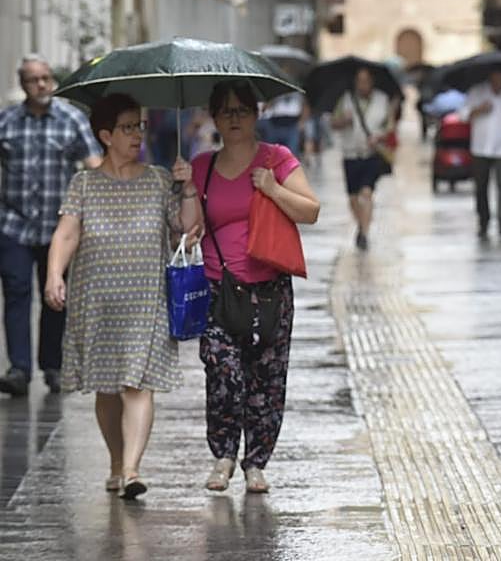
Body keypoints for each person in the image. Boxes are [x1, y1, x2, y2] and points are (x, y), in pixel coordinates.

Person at [44, 93, 201, 499]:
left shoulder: (159, 179)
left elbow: (186, 229)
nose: (137, 135)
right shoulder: (83, 184)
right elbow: (67, 233)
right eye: (128, 127)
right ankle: (116, 461)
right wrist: (54, 274)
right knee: (107, 389)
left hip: (146, 303)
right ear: (106, 135)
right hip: (96, 303)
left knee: (138, 385)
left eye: (140, 126)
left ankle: (132, 470)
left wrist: (187, 188)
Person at [192, 81, 320, 495]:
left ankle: (256, 463)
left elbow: (310, 211)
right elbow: (187, 227)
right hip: (218, 289)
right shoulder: (201, 166)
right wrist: (183, 189)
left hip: (269, 290)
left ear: (256, 114)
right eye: (226, 111)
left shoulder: (276, 159)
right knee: (223, 371)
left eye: (242, 110)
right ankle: (223, 455)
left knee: (267, 380)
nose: (234, 118)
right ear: (214, 117)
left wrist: (272, 188)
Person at [0, 55, 103, 396]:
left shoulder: (71, 119)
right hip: (12, 225)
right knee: (16, 292)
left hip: (59, 228)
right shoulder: (7, 122)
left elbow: (94, 164)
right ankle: (19, 368)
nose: (42, 84)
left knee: (55, 296)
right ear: (23, 84)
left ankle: (52, 366)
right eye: (34, 79)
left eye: (46, 78)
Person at [460, 69, 501, 238]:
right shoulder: (477, 92)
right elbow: (463, 115)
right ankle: (483, 220)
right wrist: (479, 109)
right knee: (481, 186)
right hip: (480, 146)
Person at [330, 68, 392, 251]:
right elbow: (333, 123)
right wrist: (344, 120)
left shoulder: (382, 100)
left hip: (371, 154)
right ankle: (361, 224)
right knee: (353, 198)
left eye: (366, 81)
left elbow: (389, 126)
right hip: (350, 153)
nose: (362, 85)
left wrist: (379, 136)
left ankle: (364, 233)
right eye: (359, 81)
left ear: (372, 82)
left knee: (367, 193)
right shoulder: (346, 99)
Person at [256, 92, 305, 156]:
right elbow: (266, 107)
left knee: (291, 153)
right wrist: (272, 98)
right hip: (275, 124)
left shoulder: (297, 94)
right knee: (271, 152)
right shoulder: (277, 92)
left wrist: (302, 122)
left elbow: (305, 106)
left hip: (292, 125)